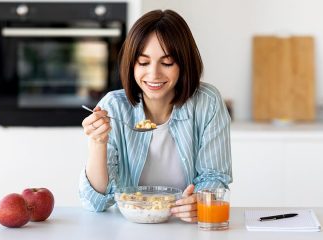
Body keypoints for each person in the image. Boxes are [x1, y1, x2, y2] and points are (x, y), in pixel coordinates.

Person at [79, 9, 232, 223]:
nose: (154, 74)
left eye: (167, 62)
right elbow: (96, 203)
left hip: (185, 227)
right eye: (143, 62)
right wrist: (97, 142)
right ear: (131, 64)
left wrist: (200, 201)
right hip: (131, 228)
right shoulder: (113, 107)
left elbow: (214, 177)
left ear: (184, 63)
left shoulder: (207, 102)